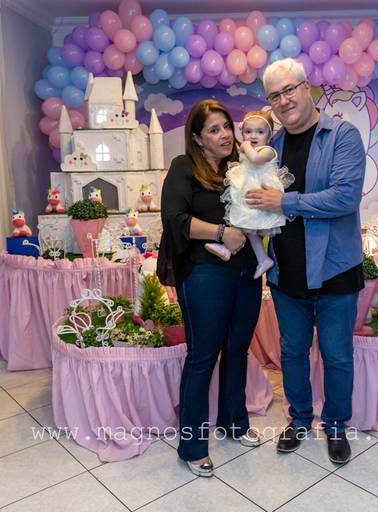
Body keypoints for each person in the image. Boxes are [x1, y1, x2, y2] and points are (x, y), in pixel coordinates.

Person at [245, 58, 366, 464]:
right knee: (292, 354)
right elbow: (254, 197)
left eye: (289, 90)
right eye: (274, 96)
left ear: (306, 88)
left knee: (337, 356)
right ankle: (298, 420)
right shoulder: (272, 148)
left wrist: (285, 202)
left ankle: (335, 426)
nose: (283, 100)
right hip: (286, 273)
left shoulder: (342, 136)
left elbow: (345, 197)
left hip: (335, 271)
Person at [157, 99, 263, 478]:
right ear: (198, 138)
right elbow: (175, 220)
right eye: (213, 129)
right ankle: (192, 445)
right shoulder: (184, 167)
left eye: (226, 127)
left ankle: (234, 423)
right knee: (202, 357)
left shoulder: (241, 168)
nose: (224, 135)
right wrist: (221, 233)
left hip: (246, 272)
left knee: (237, 351)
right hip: (204, 274)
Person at [205, 110, 294, 279]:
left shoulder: (267, 150)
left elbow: (255, 159)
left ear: (269, 135)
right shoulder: (249, 149)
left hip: (261, 192)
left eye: (260, 132)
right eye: (248, 131)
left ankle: (230, 249)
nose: (253, 136)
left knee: (246, 221)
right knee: (247, 226)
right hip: (249, 189)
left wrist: (245, 146)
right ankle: (262, 259)